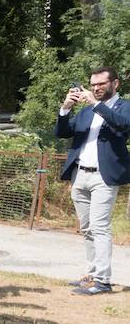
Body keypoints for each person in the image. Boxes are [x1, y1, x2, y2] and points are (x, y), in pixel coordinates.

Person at [57, 66, 129, 296]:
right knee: (87, 228)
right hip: (81, 174)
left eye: (101, 84)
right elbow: (63, 132)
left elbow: (123, 125)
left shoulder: (124, 106)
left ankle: (103, 280)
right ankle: (92, 272)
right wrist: (65, 108)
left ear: (115, 84)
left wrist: (96, 105)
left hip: (104, 176)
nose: (96, 88)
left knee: (100, 227)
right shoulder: (86, 111)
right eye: (93, 84)